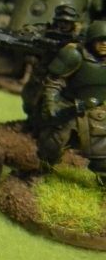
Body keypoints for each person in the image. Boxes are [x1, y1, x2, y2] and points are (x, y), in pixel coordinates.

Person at [38, 20, 106, 184]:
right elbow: (54, 82)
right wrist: (51, 104)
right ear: (91, 40)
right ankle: (42, 172)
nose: (105, 44)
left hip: (97, 112)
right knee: (52, 144)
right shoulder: (74, 54)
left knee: (102, 154)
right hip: (69, 107)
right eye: (101, 40)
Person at [19, 4, 81, 131]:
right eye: (60, 21)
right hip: (42, 70)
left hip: (63, 74)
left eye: (67, 22)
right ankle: (31, 122)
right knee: (30, 98)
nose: (63, 25)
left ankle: (47, 127)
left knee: (52, 102)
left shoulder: (77, 35)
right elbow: (28, 29)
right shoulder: (47, 29)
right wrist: (34, 35)